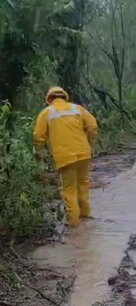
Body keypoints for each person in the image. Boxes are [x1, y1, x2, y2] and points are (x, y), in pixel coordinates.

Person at [33, 86, 98, 227]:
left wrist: (39, 155)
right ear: (64, 97)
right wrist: (88, 141)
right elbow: (93, 126)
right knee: (83, 185)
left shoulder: (46, 113)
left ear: (49, 99)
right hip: (84, 154)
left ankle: (74, 227)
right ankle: (86, 219)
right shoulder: (77, 109)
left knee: (69, 191)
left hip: (65, 158)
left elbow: (38, 138)